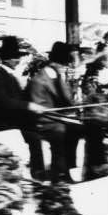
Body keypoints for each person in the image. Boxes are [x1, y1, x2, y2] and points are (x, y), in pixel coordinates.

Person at [0, 36, 47, 177]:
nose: (18, 61)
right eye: (15, 58)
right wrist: (29, 105)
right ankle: (39, 175)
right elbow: (5, 103)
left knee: (36, 131)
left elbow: (19, 100)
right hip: (1, 125)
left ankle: (38, 173)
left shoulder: (11, 76)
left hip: (13, 122)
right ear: (6, 59)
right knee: (34, 138)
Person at [28, 41, 80, 182]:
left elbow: (68, 101)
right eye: (64, 64)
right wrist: (63, 118)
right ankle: (59, 174)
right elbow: (38, 110)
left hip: (58, 119)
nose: (66, 67)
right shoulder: (39, 80)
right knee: (61, 131)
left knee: (78, 128)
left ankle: (70, 168)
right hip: (44, 122)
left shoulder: (58, 76)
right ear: (55, 63)